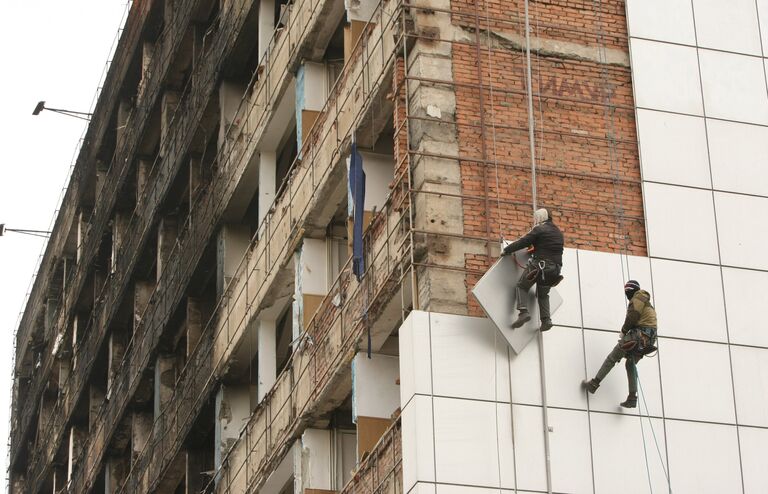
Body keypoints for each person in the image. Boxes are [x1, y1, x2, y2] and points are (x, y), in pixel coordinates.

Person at [584, 280, 658, 408]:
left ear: (629, 291)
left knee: (613, 357)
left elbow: (632, 316)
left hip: (638, 335)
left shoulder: (637, 298)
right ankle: (632, 398)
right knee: (630, 363)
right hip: (648, 340)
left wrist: (624, 331)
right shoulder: (646, 302)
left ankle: (594, 384)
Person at [501, 208, 564, 332]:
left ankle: (523, 312)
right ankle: (546, 321)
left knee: (522, 286)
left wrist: (506, 250)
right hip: (555, 270)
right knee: (543, 294)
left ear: (540, 218)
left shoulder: (540, 229)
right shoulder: (558, 233)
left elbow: (523, 242)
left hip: (540, 266)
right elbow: (548, 246)